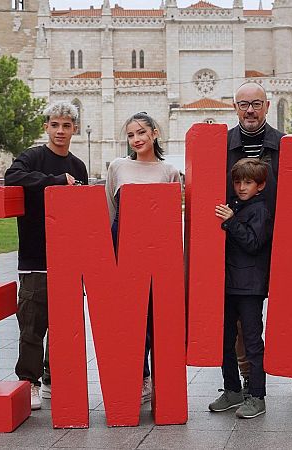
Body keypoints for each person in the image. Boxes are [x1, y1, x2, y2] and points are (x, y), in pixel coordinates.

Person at [227, 82, 292, 400]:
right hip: (242, 243)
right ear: (235, 107)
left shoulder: (286, 145)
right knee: (243, 318)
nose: (250, 110)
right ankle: (248, 375)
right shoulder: (223, 146)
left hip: (283, 243)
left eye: (256, 104)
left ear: (267, 106)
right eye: (244, 104)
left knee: (291, 310)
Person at [4, 101, 88, 410]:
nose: (60, 131)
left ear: (74, 129)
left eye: (66, 126)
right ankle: (30, 382)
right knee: (32, 326)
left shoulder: (78, 166)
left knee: (64, 327)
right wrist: (54, 182)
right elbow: (12, 177)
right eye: (55, 125)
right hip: (36, 258)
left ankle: (53, 378)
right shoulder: (32, 157)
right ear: (46, 127)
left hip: (68, 259)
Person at [105, 112, 181, 404]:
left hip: (156, 250)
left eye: (141, 133)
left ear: (154, 133)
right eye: (130, 135)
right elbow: (110, 210)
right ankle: (139, 376)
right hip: (123, 244)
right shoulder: (118, 167)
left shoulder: (169, 171)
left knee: (153, 316)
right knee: (129, 316)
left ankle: (157, 379)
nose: (136, 139)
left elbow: (173, 217)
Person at [209, 158, 272, 419]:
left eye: (248, 182)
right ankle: (233, 390)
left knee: (252, 342)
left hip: (250, 288)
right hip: (229, 284)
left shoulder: (261, 210)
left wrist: (232, 222)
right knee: (225, 341)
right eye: (237, 182)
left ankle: (257, 396)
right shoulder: (235, 205)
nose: (241, 187)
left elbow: (253, 244)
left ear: (261, 185)